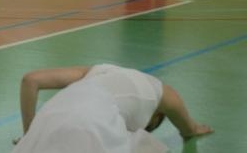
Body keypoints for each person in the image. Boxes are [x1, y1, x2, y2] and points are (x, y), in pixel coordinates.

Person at [14, 64, 213, 152]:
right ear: (157, 116)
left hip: (51, 114)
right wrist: (193, 130)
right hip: (93, 120)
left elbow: (30, 80)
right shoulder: (160, 92)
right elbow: (188, 129)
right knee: (148, 147)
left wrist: (31, 134)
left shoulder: (99, 70)